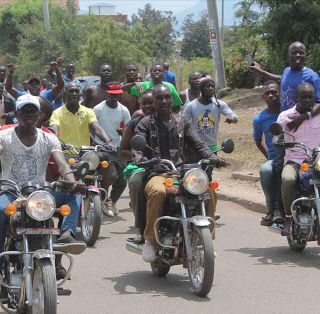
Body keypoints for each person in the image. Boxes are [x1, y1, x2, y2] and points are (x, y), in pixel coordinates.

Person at [0, 94, 86, 290]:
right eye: (24, 111)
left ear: (39, 115)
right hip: (12, 192)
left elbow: (62, 165)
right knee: (0, 211)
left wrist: (72, 181)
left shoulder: (49, 138)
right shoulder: (3, 136)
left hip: (41, 193)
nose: (28, 115)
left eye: (33, 111)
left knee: (74, 193)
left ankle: (66, 235)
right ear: (17, 114)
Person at [133, 84, 226, 261]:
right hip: (157, 173)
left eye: (167, 97)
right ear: (153, 102)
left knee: (208, 189)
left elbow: (198, 144)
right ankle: (150, 241)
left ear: (172, 99)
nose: (164, 101)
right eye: (159, 98)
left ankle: (208, 240)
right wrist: (140, 158)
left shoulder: (182, 122)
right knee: (158, 192)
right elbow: (137, 147)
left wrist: (213, 157)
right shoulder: (145, 123)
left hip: (182, 173)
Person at [278, 82, 320, 235]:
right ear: (296, 97)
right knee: (288, 179)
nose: (307, 100)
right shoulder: (286, 116)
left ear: (314, 98)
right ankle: (287, 217)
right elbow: (276, 137)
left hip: (316, 161)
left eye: (310, 97)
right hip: (294, 161)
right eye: (303, 97)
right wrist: (280, 142)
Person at [248, 42, 320, 127]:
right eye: (294, 52)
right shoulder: (287, 71)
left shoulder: (312, 76)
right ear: (288, 55)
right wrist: (260, 71)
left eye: (301, 53)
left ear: (305, 55)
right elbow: (279, 79)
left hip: (301, 123)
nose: (298, 55)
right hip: (284, 120)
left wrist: (303, 117)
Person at [119, 89, 156, 242]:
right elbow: (123, 151)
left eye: (151, 102)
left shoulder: (173, 120)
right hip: (144, 167)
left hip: (169, 167)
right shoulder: (135, 123)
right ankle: (141, 228)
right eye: (144, 103)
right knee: (135, 182)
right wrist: (138, 159)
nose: (147, 106)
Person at [182, 75, 238, 173]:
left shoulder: (219, 104)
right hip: (195, 146)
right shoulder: (191, 105)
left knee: (207, 174)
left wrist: (232, 118)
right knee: (194, 174)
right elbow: (183, 123)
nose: (211, 88)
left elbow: (235, 117)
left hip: (212, 147)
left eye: (212, 86)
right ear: (201, 89)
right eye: (207, 86)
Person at [93, 81, 131, 216]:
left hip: (118, 148)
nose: (115, 98)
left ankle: (111, 202)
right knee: (111, 175)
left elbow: (129, 128)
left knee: (122, 181)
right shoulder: (98, 109)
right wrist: (95, 142)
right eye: (112, 95)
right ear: (107, 94)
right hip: (103, 149)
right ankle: (103, 201)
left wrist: (123, 132)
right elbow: (92, 127)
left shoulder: (123, 110)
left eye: (117, 95)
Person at [253, 80, 285, 226]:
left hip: (293, 155)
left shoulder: (288, 112)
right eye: (267, 93)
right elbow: (258, 140)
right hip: (274, 157)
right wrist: (268, 157)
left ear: (280, 93)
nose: (271, 95)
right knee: (266, 170)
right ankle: (271, 210)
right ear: (263, 97)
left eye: (274, 92)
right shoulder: (259, 119)